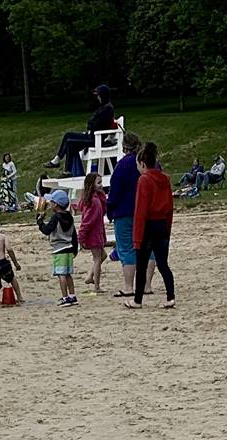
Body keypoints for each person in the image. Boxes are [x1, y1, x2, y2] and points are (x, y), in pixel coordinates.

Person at [128, 143, 176, 311]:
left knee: (141, 264)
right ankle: (171, 297)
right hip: (162, 225)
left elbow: (140, 210)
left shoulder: (144, 180)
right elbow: (170, 207)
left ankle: (137, 300)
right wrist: (167, 229)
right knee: (163, 264)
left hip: (148, 226)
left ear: (142, 163)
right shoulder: (165, 179)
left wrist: (136, 237)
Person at [107, 133, 142, 299]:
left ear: (124, 147)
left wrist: (110, 209)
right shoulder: (146, 163)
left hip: (124, 212)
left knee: (126, 247)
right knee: (145, 247)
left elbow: (115, 191)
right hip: (144, 211)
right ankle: (147, 284)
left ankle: (129, 287)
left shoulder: (122, 165)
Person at [56, 83, 117, 177]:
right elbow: (93, 123)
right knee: (68, 135)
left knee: (70, 142)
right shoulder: (103, 107)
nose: (98, 98)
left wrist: (91, 125)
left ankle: (68, 170)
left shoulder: (108, 109)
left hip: (96, 139)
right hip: (92, 135)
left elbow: (96, 124)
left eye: (99, 95)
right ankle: (57, 159)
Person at [37, 189, 80, 307]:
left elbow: (47, 230)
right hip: (69, 247)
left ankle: (65, 297)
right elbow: (74, 234)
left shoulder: (56, 217)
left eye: (51, 201)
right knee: (68, 274)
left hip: (59, 249)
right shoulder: (69, 217)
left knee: (61, 275)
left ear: (56, 204)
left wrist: (39, 222)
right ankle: (72, 296)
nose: (50, 203)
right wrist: (75, 249)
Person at [78, 171, 109, 294]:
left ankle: (90, 276)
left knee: (103, 256)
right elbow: (87, 221)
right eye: (99, 183)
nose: (101, 185)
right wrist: (81, 236)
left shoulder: (94, 199)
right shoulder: (94, 202)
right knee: (97, 258)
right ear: (92, 184)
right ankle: (96, 285)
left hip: (97, 233)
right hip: (94, 234)